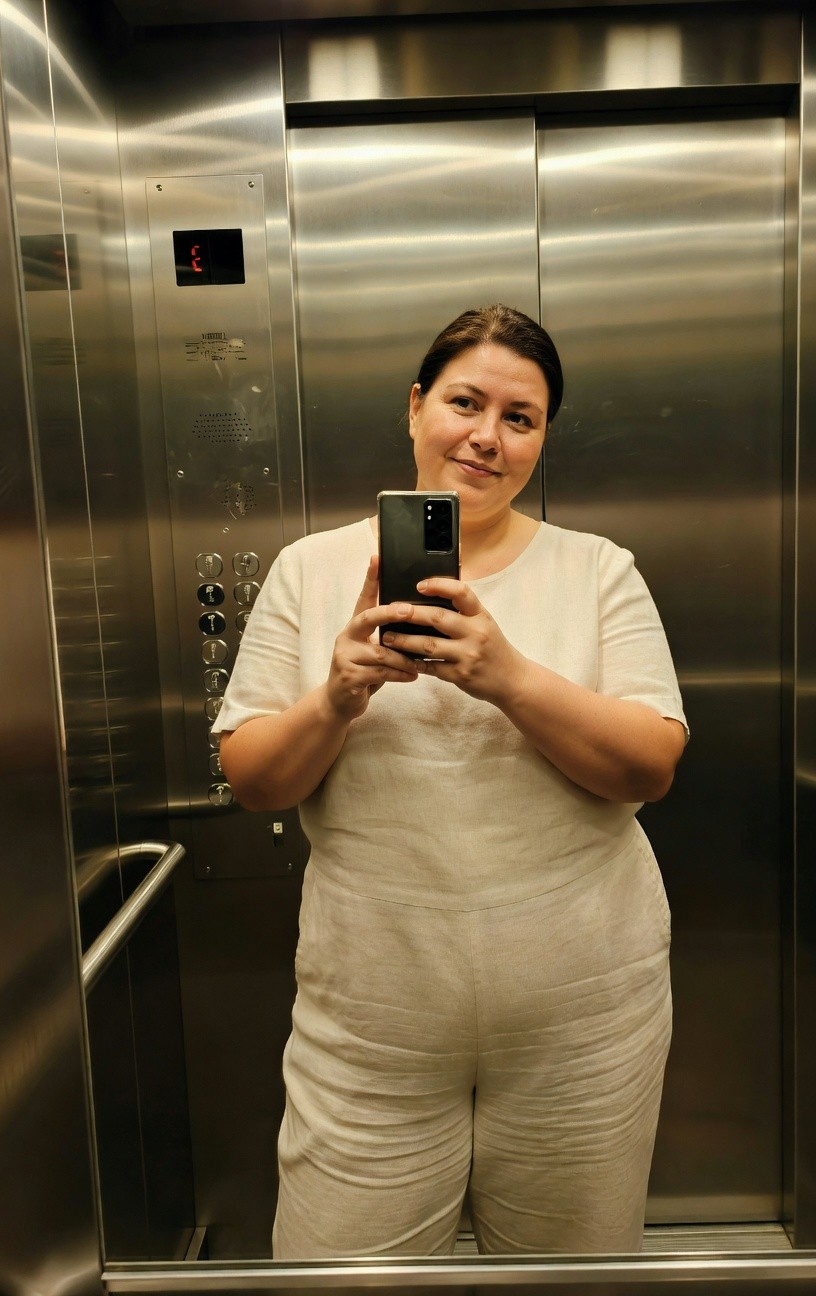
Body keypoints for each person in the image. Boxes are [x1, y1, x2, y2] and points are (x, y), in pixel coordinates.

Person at [213, 304, 688, 1259]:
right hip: (370, 1022)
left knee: (574, 1278)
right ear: (417, 405)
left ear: (543, 439)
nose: (488, 436)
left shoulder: (598, 571)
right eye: (466, 402)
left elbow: (652, 763)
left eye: (522, 418)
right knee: (338, 1274)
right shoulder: (311, 572)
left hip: (585, 1019)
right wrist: (337, 695)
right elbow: (254, 778)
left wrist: (508, 677)